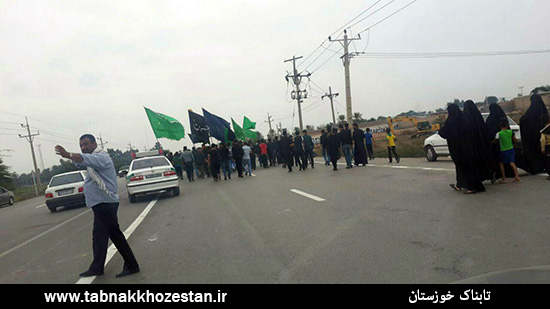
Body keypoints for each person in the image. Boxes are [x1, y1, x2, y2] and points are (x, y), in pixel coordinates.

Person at [55, 134, 139, 278]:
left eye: (86, 144)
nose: (83, 147)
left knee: (114, 234)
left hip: (106, 201)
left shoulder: (101, 157)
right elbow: (80, 161)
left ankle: (132, 264)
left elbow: (84, 159)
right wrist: (72, 157)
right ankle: (97, 267)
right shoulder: (91, 160)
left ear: (94, 144)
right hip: (99, 203)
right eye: (81, 145)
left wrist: (68, 154)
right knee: (99, 236)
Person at [462, 100, 494, 193]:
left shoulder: (465, 118)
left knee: (473, 165)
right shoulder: (478, 116)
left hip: (471, 147)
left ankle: (475, 184)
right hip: (482, 145)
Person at [439, 103, 468, 191]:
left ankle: (461, 184)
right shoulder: (464, 119)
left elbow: (444, 133)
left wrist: (440, 130)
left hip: (455, 147)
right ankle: (463, 183)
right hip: (466, 146)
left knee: (459, 166)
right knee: (466, 165)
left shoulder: (451, 121)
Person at [520, 94, 549, 175]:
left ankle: (535, 168)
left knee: (534, 153)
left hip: (532, 140)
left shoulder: (529, 113)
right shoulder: (543, 111)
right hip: (544, 138)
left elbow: (524, 123)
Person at [485, 103, 510, 180]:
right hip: (505, 143)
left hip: (495, 144)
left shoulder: (490, 119)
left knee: (498, 159)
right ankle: (508, 172)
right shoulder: (503, 117)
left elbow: (488, 131)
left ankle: (499, 173)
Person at [493, 117, 521, 183]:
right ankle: (517, 177)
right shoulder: (511, 132)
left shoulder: (499, 133)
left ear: (499, 125)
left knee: (501, 163)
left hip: (503, 150)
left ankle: (503, 178)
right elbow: (515, 140)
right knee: (512, 162)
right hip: (511, 149)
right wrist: (514, 145)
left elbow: (495, 141)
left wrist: (491, 142)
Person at [540, 113, 550, 180]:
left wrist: (543, 148)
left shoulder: (544, 131)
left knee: (548, 161)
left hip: (548, 146)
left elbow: (543, 140)